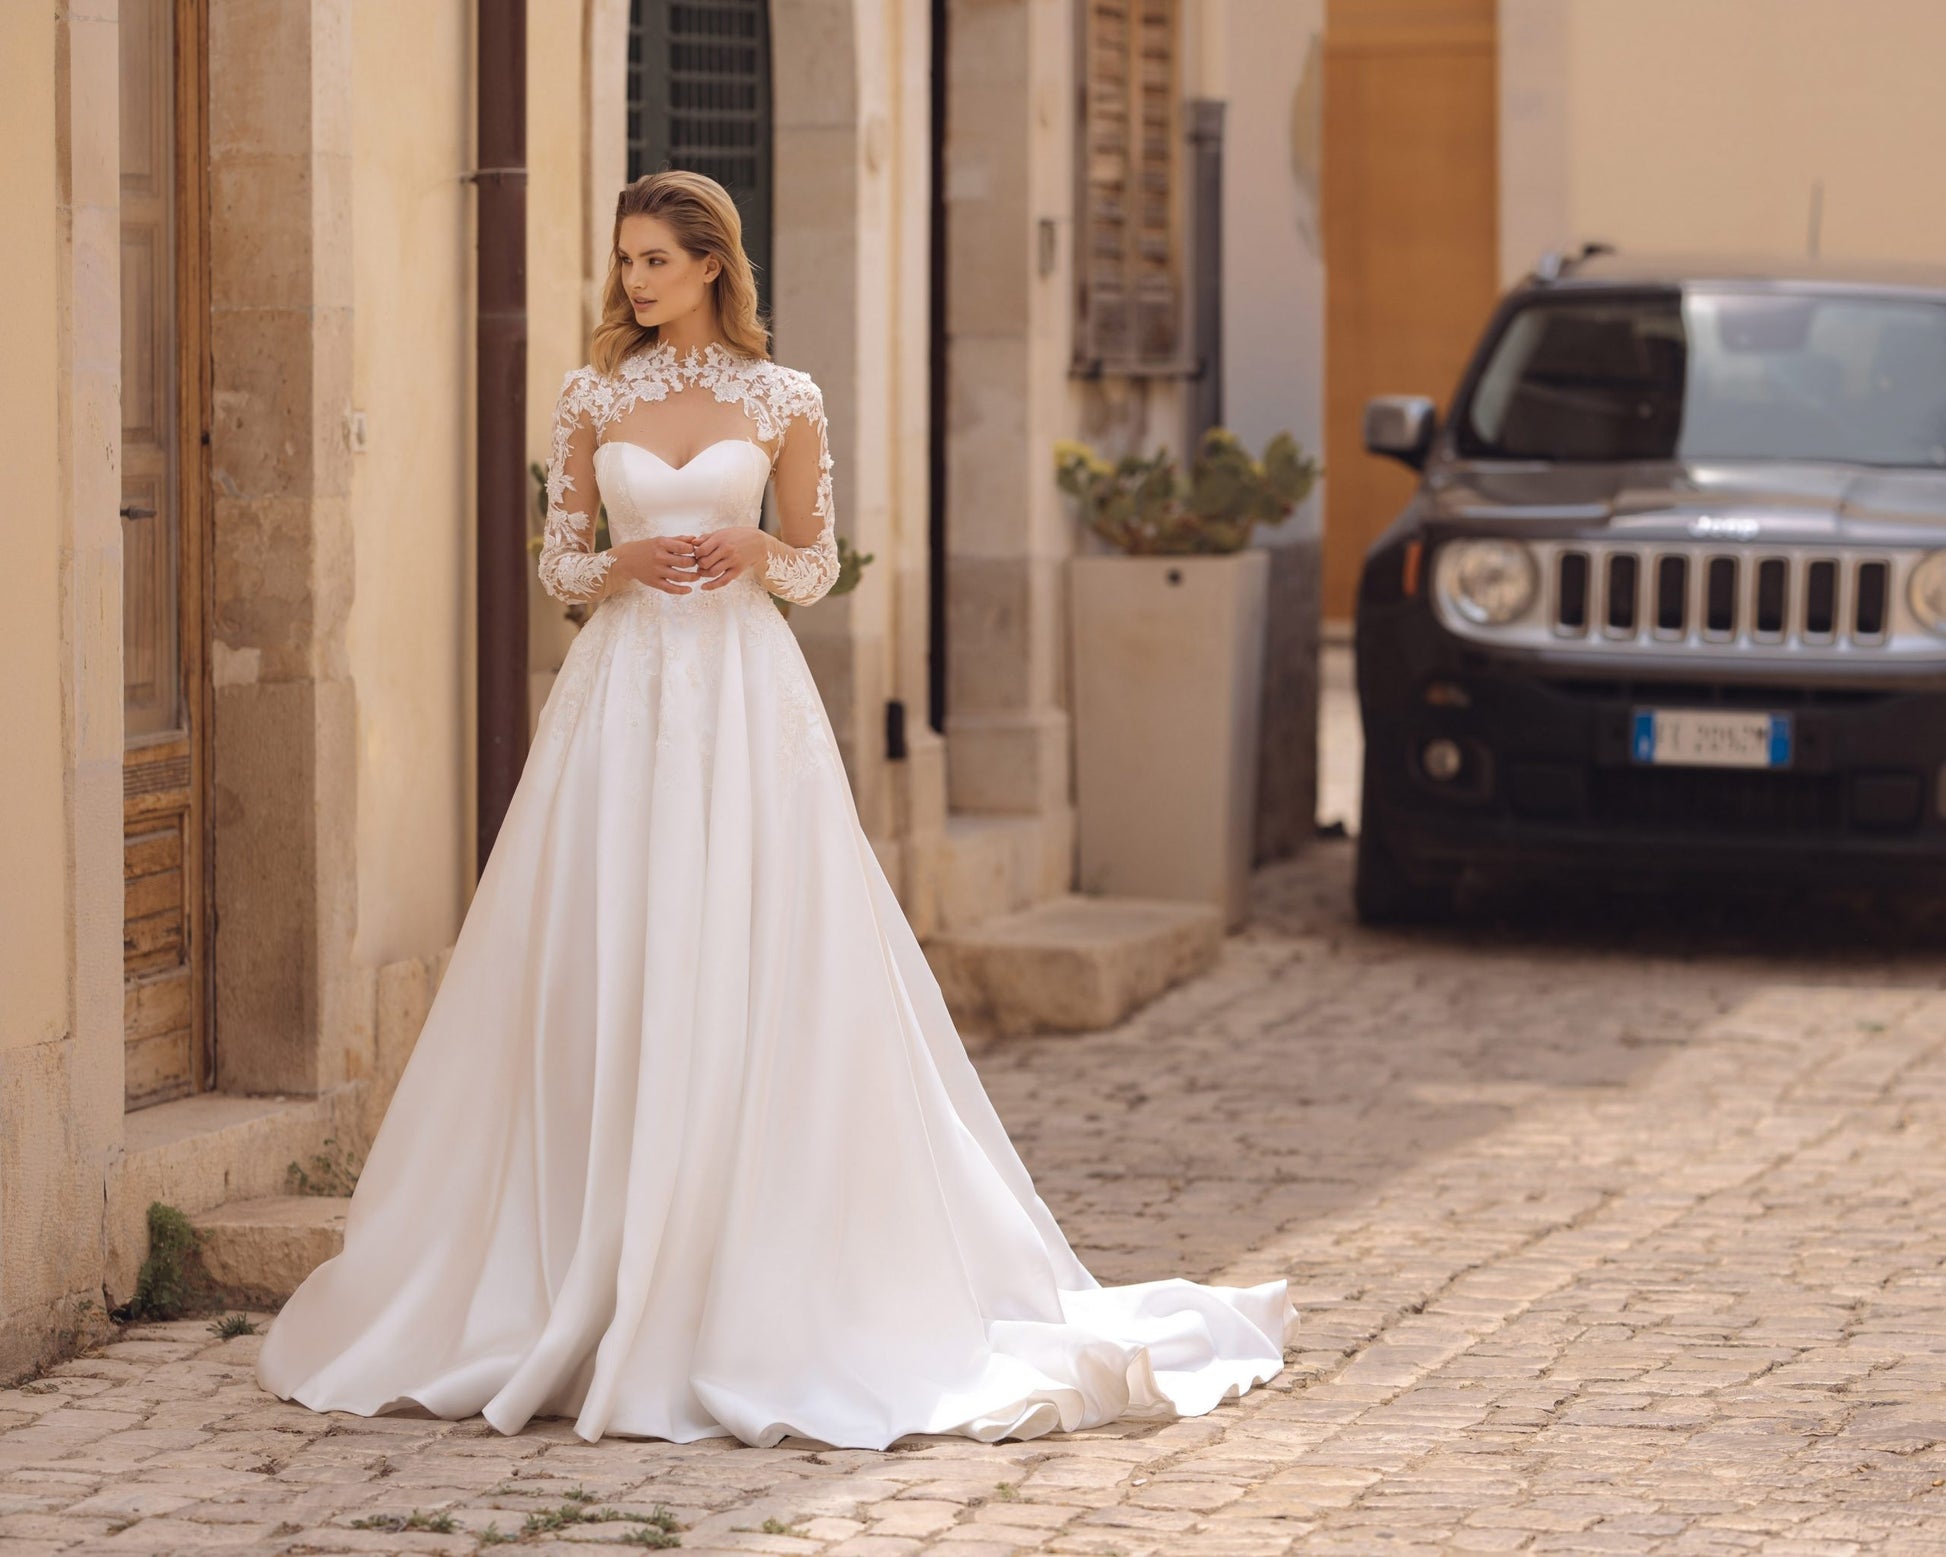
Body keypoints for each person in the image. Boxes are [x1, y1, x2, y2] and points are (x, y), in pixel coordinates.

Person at [254, 170, 1295, 1449]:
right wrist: (615, 566)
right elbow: (557, 561)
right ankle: (583, 1255)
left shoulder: (779, 396)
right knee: (609, 945)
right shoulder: (593, 397)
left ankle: (750, 1260)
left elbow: (812, 561)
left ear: (709, 266)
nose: (630, 281)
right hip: (623, 696)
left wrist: (754, 555)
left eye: (653, 261)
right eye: (624, 260)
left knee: (756, 944)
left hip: (744, 700)